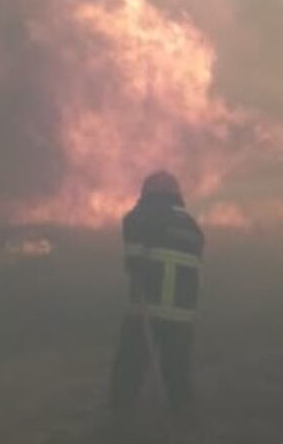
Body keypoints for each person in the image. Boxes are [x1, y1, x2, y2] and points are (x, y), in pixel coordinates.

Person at [109, 170, 205, 413]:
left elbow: (133, 255)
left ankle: (118, 418)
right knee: (177, 369)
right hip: (182, 313)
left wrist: (134, 261)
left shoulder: (144, 216)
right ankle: (183, 418)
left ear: (148, 194)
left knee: (130, 366)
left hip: (147, 307)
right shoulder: (192, 226)